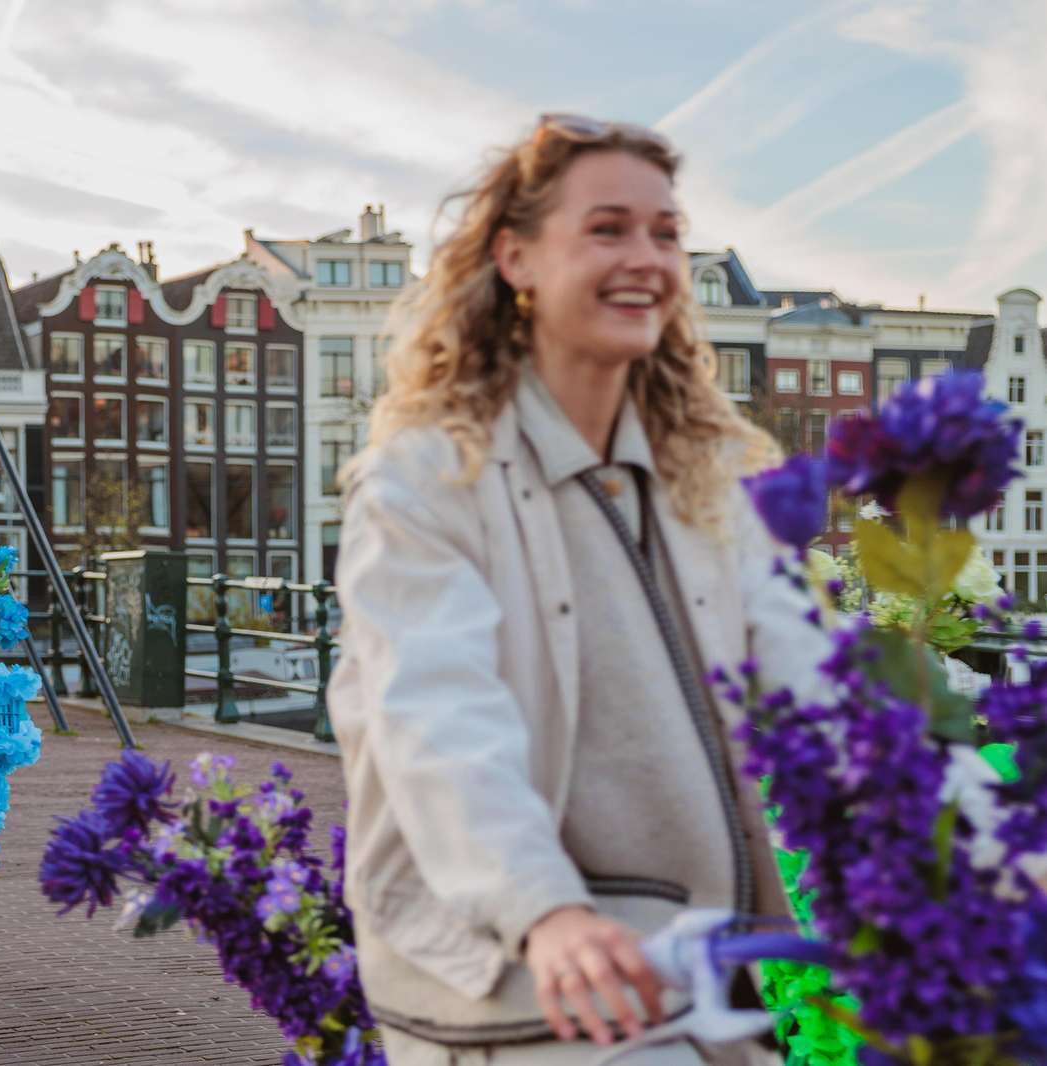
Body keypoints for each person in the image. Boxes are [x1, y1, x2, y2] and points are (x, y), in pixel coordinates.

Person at [327, 115, 831, 1065]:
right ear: (516, 257)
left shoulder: (702, 484)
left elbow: (813, 688)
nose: (646, 257)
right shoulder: (426, 484)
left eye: (666, 233)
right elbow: (436, 719)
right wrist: (543, 911)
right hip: (513, 965)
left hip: (689, 962)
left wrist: (960, 846)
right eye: (608, 229)